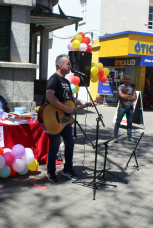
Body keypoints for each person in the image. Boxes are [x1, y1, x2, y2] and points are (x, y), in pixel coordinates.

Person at [45, 54, 91, 182]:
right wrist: (64, 108)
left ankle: (68, 169)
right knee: (54, 146)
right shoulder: (54, 79)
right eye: (68, 64)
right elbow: (49, 96)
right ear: (61, 65)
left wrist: (84, 103)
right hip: (54, 118)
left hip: (65, 120)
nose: (71, 66)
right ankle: (51, 172)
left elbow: (71, 100)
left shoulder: (66, 81)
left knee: (70, 144)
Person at [113, 75, 137, 143]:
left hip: (130, 107)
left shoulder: (132, 88)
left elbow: (135, 97)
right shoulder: (120, 87)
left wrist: (126, 97)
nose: (128, 81)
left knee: (129, 122)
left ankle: (129, 136)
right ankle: (115, 137)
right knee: (118, 122)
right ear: (124, 79)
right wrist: (130, 96)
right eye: (127, 79)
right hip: (122, 107)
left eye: (129, 79)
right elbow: (121, 95)